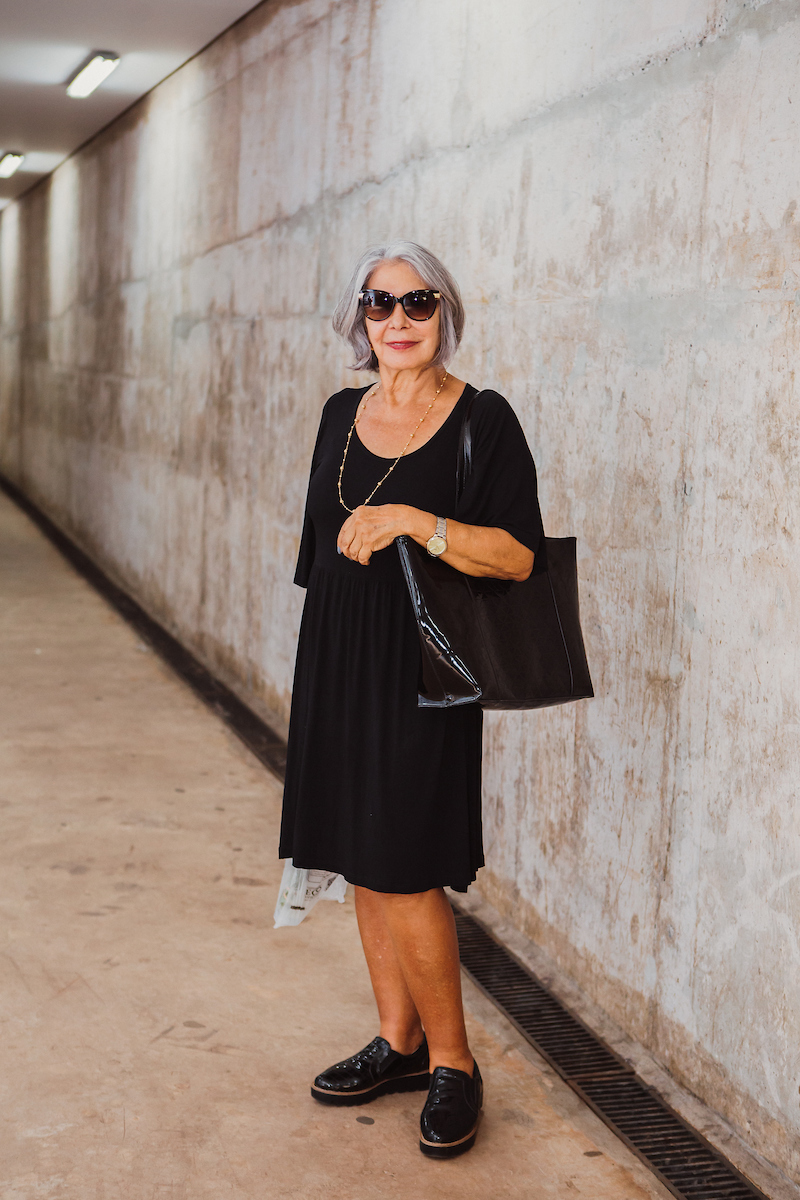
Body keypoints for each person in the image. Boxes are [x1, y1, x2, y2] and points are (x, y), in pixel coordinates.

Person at [279, 241, 543, 1158]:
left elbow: (516, 555)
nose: (398, 320)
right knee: (360, 852)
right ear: (361, 318)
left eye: (418, 303)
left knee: (405, 867)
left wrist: (416, 524)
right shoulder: (339, 415)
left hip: (422, 673)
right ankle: (397, 1043)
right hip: (337, 662)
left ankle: (455, 1064)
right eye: (380, 304)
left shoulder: (483, 421)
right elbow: (321, 556)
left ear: (447, 313)